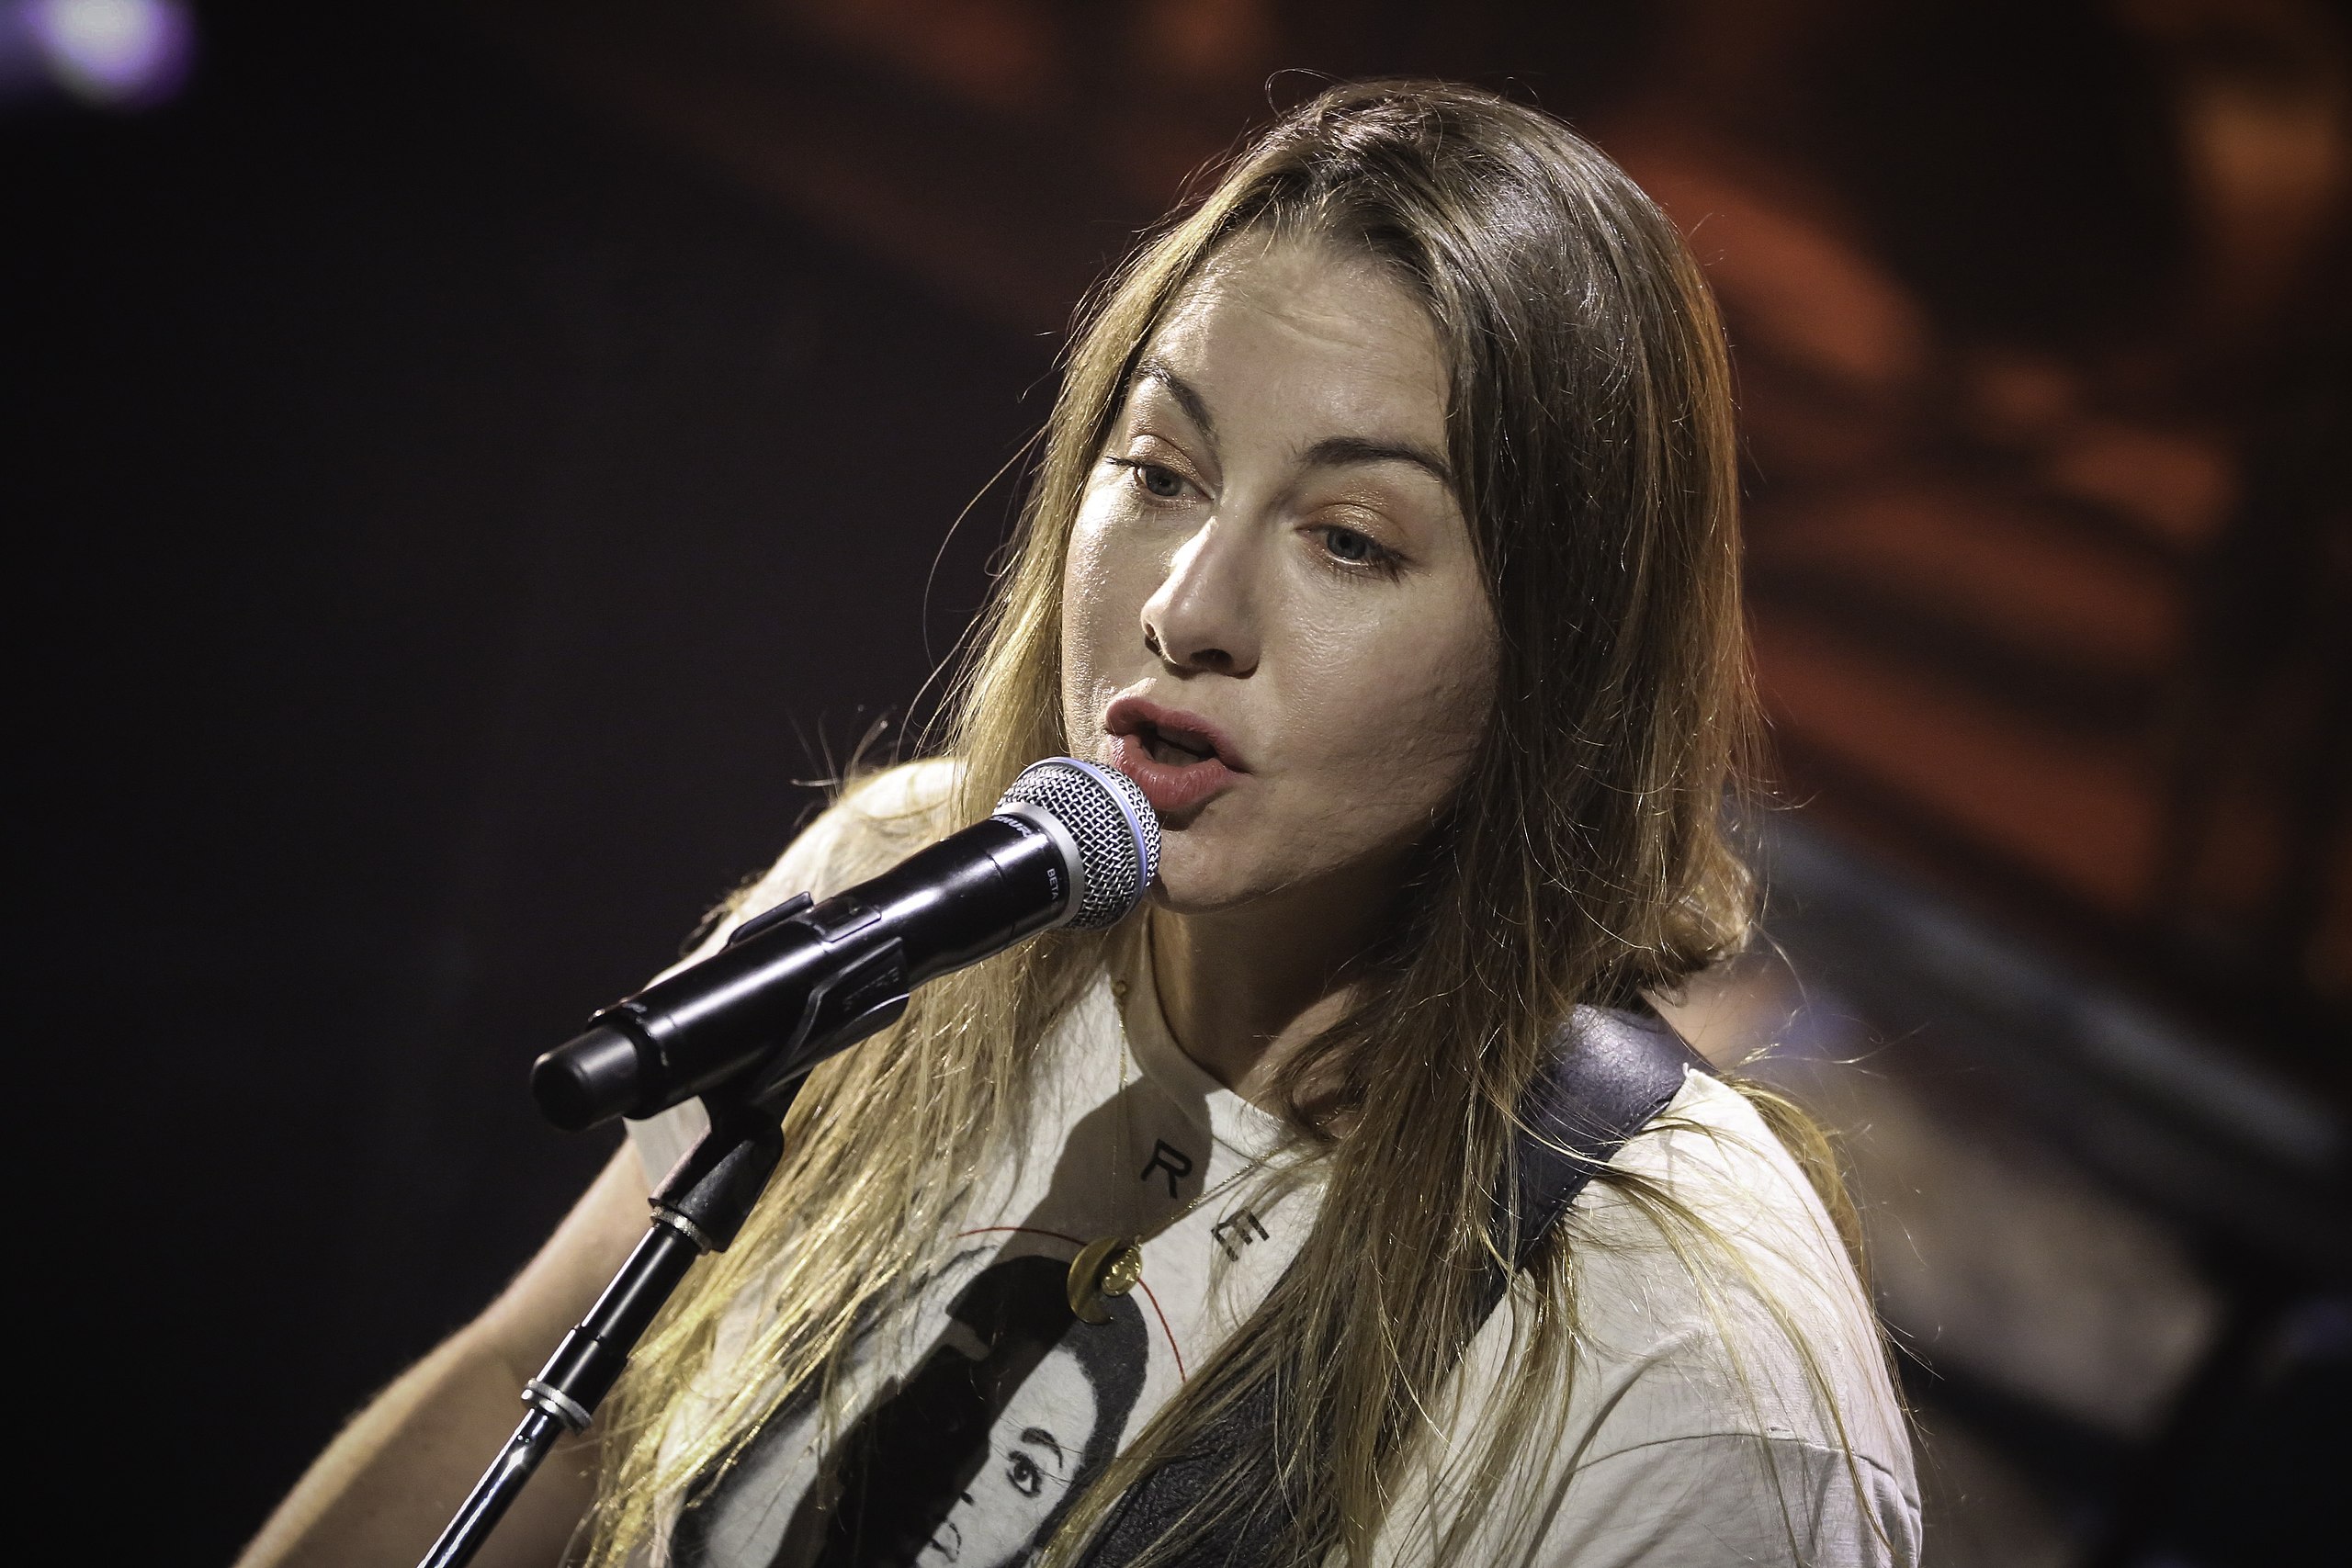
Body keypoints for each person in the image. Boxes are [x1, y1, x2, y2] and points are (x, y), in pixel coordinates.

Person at [239, 80, 1920, 1568]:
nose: (1190, 607)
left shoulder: (1683, 1351)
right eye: (1161, 472)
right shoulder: (901, 889)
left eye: (1349, 538)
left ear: (1564, 655)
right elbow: (538, 1401)